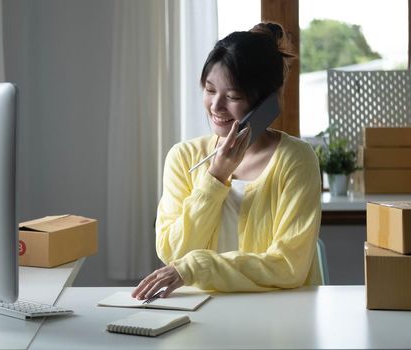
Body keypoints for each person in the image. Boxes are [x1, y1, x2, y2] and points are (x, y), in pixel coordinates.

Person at [132, 22, 322, 300]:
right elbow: (173, 252)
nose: (216, 107)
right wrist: (215, 178)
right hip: (200, 312)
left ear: (265, 103)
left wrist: (198, 266)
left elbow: (288, 266)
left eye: (233, 96)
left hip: (280, 316)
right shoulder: (183, 158)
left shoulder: (297, 159)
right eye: (210, 90)